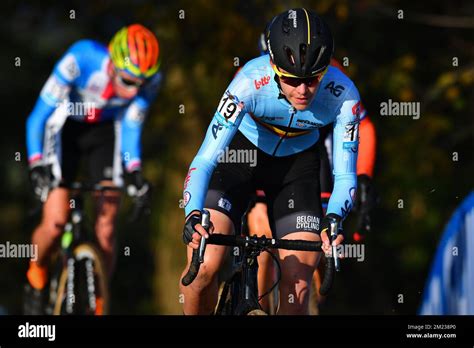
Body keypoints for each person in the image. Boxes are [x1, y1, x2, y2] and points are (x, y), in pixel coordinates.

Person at [180, 8, 360, 315]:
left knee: (298, 284)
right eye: (292, 80)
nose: (303, 90)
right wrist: (193, 213)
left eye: (313, 79)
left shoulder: (344, 95)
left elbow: (345, 177)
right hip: (239, 159)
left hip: (297, 169)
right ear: (274, 66)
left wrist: (334, 221)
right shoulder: (249, 82)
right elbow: (205, 160)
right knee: (203, 269)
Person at [24, 24, 162, 314]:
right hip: (65, 128)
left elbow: (131, 126)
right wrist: (36, 163)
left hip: (105, 133)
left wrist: (134, 172)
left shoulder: (150, 81)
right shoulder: (80, 59)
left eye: (141, 83)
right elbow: (37, 117)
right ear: (112, 64)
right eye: (128, 80)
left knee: (107, 224)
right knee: (56, 220)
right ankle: (36, 271)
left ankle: (98, 297)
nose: (134, 90)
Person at [250, 25, 378, 312]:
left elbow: (363, 126)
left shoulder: (330, 75)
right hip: (261, 154)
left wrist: (363, 176)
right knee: (260, 237)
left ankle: (315, 303)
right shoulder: (251, 77)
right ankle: (257, 304)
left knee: (317, 256)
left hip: (313, 159)